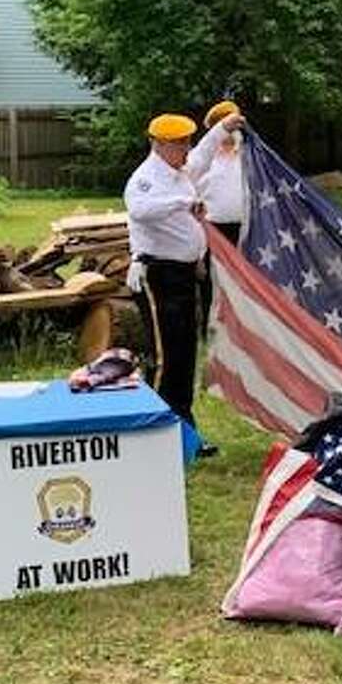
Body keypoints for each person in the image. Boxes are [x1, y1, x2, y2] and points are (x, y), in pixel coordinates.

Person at [123, 110, 245, 458]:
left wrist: (224, 126)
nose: (187, 149)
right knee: (165, 358)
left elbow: (205, 153)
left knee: (185, 356)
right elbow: (140, 209)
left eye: (187, 141)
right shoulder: (146, 178)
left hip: (183, 274)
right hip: (157, 275)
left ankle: (184, 433)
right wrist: (183, 202)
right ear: (159, 144)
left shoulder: (181, 172)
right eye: (179, 143)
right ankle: (155, 436)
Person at [195, 100, 248, 335]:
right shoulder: (204, 159)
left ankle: (241, 326)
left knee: (242, 279)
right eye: (226, 125)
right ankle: (210, 325)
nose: (232, 130)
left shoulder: (247, 155)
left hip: (244, 226)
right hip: (212, 228)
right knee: (211, 280)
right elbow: (193, 189)